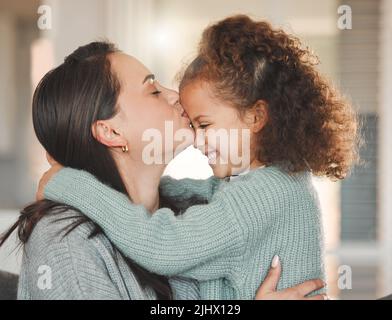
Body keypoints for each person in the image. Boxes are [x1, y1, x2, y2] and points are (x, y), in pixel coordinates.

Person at [38, 15, 357, 299]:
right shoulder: (67, 246)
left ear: (256, 117)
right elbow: (201, 193)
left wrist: (67, 182)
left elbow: (162, 243)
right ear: (111, 132)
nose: (176, 98)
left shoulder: (259, 197)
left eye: (205, 124)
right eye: (153, 90)